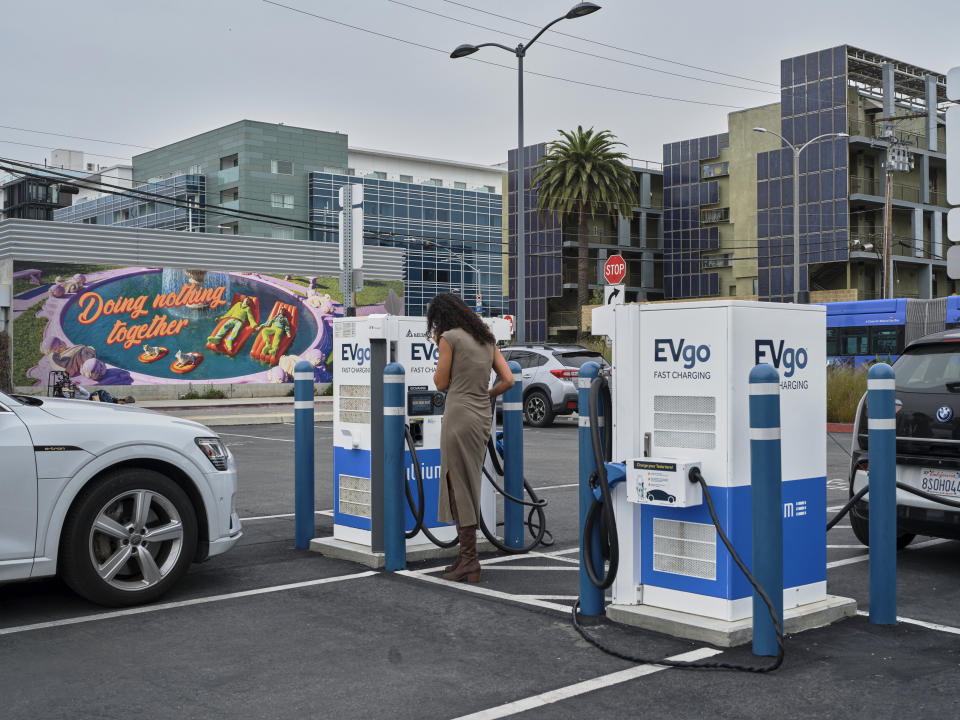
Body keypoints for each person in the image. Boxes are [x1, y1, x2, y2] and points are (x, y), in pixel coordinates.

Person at [427, 293, 514, 583]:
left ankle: (469, 560)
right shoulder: (487, 339)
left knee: (456, 484)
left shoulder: (449, 338)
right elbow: (508, 380)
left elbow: (440, 383)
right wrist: (485, 395)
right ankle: (466, 558)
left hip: (458, 415)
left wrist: (439, 341)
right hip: (480, 417)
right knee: (469, 482)